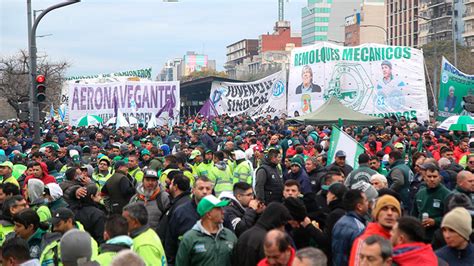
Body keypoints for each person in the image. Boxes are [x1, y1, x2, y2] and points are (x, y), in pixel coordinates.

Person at [176, 194, 237, 266]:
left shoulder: (230, 236)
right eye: (218, 208)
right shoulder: (189, 239)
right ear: (209, 214)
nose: (223, 212)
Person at [165, 176, 213, 264]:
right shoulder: (180, 213)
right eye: (201, 188)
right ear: (193, 190)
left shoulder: (219, 212)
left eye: (208, 189)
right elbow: (170, 244)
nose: (205, 191)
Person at [350, 195, 401, 265]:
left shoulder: (400, 241)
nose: (390, 213)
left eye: (394, 210)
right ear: (376, 214)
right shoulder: (363, 241)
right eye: (384, 209)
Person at [411, 163, 452, 240]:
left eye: (435, 176)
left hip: (439, 238)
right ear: (424, 177)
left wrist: (435, 221)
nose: (432, 179)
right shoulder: (420, 193)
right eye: (429, 176)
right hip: (421, 237)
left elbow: (452, 218)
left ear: (439, 178)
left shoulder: (447, 195)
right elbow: (414, 215)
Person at [331, 189, 369, 266]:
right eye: (366, 201)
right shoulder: (359, 228)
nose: (368, 203)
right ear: (359, 206)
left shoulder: (339, 222)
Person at [157, 174, 191, 241]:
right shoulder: (178, 201)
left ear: (175, 187)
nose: (169, 186)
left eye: (171, 184)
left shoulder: (181, 205)